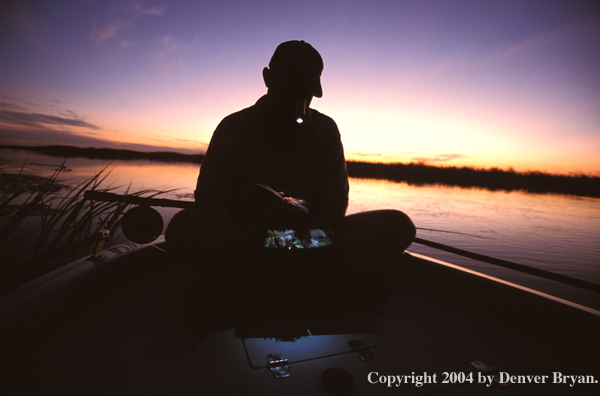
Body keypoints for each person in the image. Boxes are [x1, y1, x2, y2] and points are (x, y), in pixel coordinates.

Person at [166, 40, 416, 327]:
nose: (297, 101)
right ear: (268, 79)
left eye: (305, 92)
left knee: (398, 225)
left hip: (309, 240)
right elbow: (207, 202)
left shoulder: (326, 129)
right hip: (249, 237)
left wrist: (302, 230)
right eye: (288, 88)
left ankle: (260, 290)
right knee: (183, 228)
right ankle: (313, 285)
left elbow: (336, 205)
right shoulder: (232, 126)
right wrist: (240, 202)